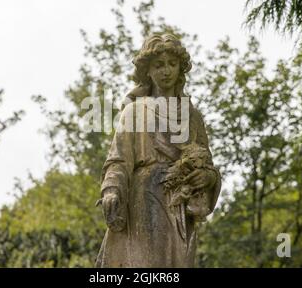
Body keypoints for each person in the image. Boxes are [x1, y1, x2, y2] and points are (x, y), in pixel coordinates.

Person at [95, 33, 221, 267]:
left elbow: (208, 164)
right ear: (148, 71)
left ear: (180, 69)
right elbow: (118, 161)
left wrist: (207, 177)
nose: (166, 71)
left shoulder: (191, 116)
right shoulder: (134, 112)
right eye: (159, 65)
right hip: (144, 200)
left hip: (180, 203)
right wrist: (111, 190)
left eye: (172, 64)